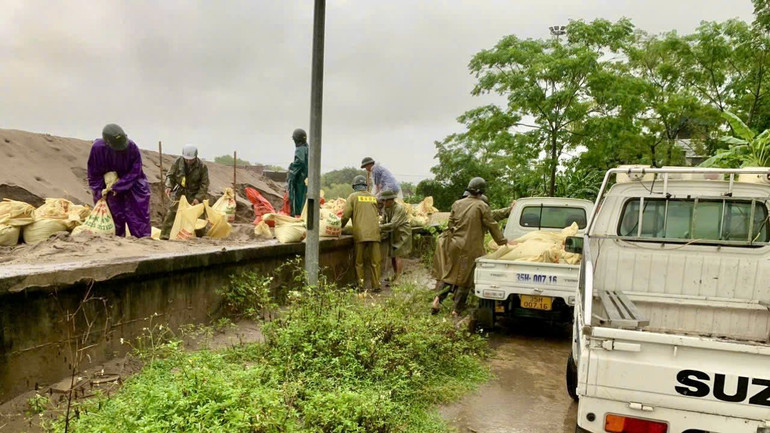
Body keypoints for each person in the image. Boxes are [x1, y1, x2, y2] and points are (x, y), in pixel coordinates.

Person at [432, 177, 507, 315]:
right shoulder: (482, 206)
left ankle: (437, 299)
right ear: (481, 191)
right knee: (466, 279)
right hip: (470, 248)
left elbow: (450, 224)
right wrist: (503, 242)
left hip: (454, 245)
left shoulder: (457, 204)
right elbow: (492, 225)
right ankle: (456, 310)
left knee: (449, 274)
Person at [87, 124, 151, 238]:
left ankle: (143, 240)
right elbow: (93, 174)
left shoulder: (132, 147)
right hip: (108, 186)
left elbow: (135, 171)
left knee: (138, 214)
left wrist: (119, 186)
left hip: (132, 182)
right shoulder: (97, 149)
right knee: (113, 214)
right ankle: (116, 239)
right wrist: (101, 191)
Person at [160, 144, 210, 240]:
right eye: (186, 159)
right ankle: (164, 236)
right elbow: (170, 176)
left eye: (191, 160)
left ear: (195, 157)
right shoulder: (178, 162)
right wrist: (169, 186)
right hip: (180, 192)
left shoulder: (202, 167)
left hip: (194, 193)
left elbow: (204, 184)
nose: (188, 161)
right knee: (172, 213)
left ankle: (201, 237)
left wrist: (198, 198)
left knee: (198, 215)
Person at [341, 175, 382, 291]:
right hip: (375, 233)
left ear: (354, 186)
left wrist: (340, 227)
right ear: (365, 186)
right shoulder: (373, 197)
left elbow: (345, 215)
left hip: (360, 234)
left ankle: (360, 286)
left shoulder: (352, 197)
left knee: (359, 262)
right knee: (376, 262)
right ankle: (376, 286)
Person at [379, 189, 412, 285]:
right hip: (393, 233)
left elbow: (393, 224)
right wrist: (379, 225)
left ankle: (399, 278)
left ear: (391, 200)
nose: (384, 202)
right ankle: (395, 274)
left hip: (402, 233)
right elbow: (384, 221)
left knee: (398, 255)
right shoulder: (386, 208)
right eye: (383, 200)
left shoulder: (399, 208)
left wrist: (378, 228)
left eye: (385, 200)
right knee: (392, 255)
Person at [288, 128, 309, 217]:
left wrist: (291, 170)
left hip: (300, 178)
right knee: (305, 197)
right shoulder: (307, 147)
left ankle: (298, 216)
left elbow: (300, 162)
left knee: (298, 198)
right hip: (306, 177)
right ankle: (304, 215)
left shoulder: (300, 149)